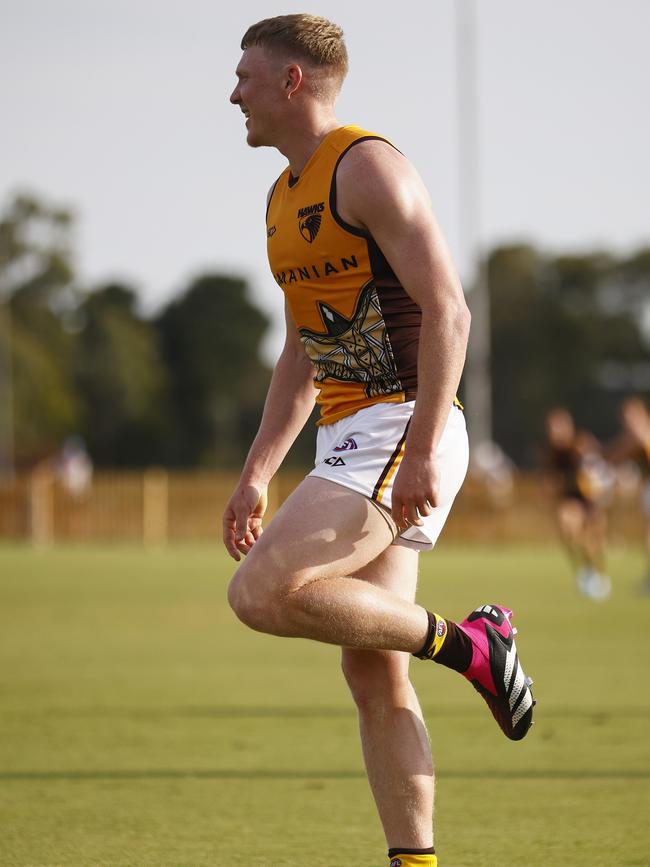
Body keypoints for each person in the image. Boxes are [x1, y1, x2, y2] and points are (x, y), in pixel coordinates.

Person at [223, 15, 534, 866]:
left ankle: (473, 644)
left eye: (246, 74)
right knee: (373, 673)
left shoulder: (367, 167)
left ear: (294, 81)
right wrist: (256, 471)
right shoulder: (283, 197)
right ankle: (416, 861)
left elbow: (451, 309)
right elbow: (302, 349)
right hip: (351, 436)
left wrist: (428, 444)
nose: (232, 91)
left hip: (403, 423)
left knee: (258, 593)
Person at [542, 407, 612, 600]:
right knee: (568, 529)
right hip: (570, 499)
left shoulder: (580, 445)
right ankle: (585, 572)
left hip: (590, 499)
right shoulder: (552, 453)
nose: (553, 432)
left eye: (557, 427)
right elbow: (551, 480)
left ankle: (598, 575)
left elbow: (598, 470)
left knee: (595, 543)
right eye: (550, 428)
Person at [607, 396, 650, 592]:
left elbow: (617, 454)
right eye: (625, 419)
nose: (628, 423)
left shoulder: (641, 433)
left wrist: (602, 459)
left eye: (631, 417)